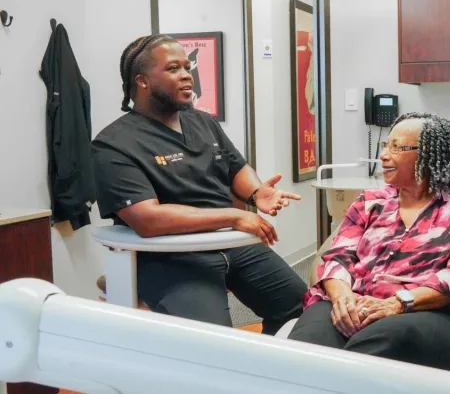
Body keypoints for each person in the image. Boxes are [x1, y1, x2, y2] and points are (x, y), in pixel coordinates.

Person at [91, 34, 307, 335]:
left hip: (231, 246)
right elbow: (147, 219)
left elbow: (236, 167)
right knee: (213, 343)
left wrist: (257, 193)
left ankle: (267, 376)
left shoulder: (202, 122)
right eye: (173, 69)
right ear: (142, 81)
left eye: (186, 67)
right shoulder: (113, 144)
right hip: (171, 259)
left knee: (303, 307)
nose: (186, 75)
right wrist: (234, 216)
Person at [288, 112, 450, 370]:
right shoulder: (369, 202)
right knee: (307, 347)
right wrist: (343, 298)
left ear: (427, 154)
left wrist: (397, 303)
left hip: (420, 310)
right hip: (353, 298)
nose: (384, 155)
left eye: (397, 147)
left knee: (371, 348)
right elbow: (337, 256)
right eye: (386, 145)